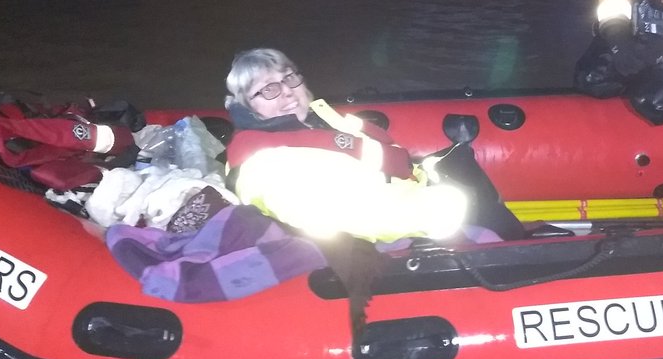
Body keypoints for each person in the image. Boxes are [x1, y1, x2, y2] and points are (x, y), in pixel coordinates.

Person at [224, 48, 524, 244]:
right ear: (247, 107)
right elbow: (346, 215)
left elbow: (378, 153)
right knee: (483, 213)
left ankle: (520, 237)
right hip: (382, 240)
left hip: (404, 194)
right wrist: (447, 203)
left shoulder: (317, 120)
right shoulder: (264, 165)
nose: (287, 92)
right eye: (268, 89)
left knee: (459, 161)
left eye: (289, 78)